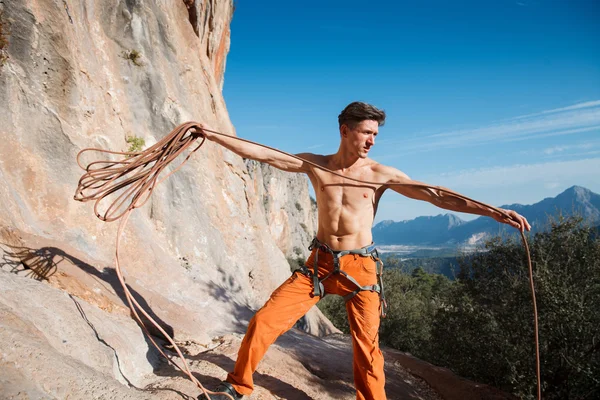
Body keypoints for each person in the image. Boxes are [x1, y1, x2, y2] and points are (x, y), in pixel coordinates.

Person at [195, 102, 531, 400]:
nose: (372, 140)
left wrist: (493, 212)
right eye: (366, 132)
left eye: (375, 134)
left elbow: (435, 195)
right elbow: (263, 153)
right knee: (265, 319)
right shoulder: (317, 165)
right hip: (321, 264)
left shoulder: (379, 175)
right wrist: (211, 135)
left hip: (361, 268)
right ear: (345, 131)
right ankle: (238, 385)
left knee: (367, 350)